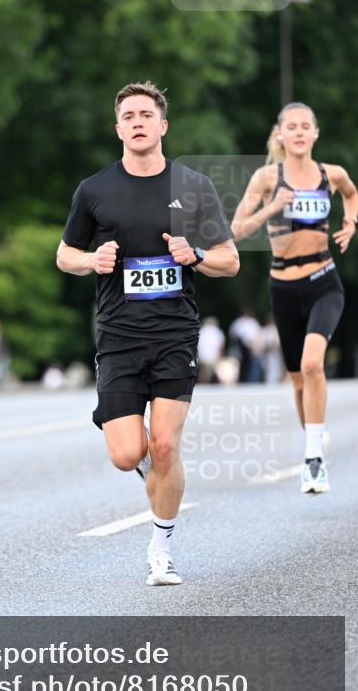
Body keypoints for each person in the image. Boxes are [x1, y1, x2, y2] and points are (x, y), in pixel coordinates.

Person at [57, 81, 239, 586]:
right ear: (118, 129)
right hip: (118, 336)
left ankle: (162, 548)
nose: (137, 122)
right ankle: (147, 465)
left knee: (163, 446)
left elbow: (229, 260)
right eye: (128, 116)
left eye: (145, 115)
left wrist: (195, 255)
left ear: (163, 125)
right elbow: (64, 255)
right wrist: (92, 260)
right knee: (126, 455)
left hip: (175, 334)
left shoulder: (193, 186)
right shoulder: (94, 190)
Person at [231, 102, 358, 493]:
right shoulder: (267, 177)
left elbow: (351, 194)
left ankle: (313, 461)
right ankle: (314, 436)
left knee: (312, 364)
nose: (300, 132)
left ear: (315, 133)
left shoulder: (331, 174)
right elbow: (236, 229)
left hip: (323, 281)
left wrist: (350, 221)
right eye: (293, 126)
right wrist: (273, 206)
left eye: (306, 126)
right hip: (283, 287)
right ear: (281, 134)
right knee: (299, 382)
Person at [228, 308, 264, 383]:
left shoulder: (243, 322)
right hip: (243, 346)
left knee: (249, 363)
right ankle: (246, 379)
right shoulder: (243, 322)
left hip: (249, 346)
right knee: (243, 363)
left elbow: (233, 334)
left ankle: (248, 379)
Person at [197, 316, 225, 383]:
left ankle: (203, 384)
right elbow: (220, 346)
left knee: (204, 372)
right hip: (213, 356)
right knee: (214, 371)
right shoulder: (217, 331)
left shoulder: (201, 331)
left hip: (202, 356)